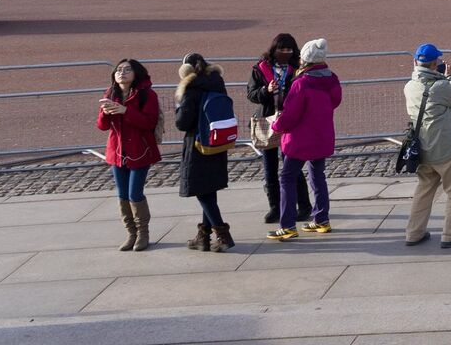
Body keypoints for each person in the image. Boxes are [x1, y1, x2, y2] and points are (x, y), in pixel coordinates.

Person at [267, 38, 342, 241]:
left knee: (287, 178)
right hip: (322, 135)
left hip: (300, 139)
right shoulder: (331, 78)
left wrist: (276, 125)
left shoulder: (302, 83)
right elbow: (335, 101)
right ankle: (321, 219)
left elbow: (290, 115)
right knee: (318, 176)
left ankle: (288, 225)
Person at [402, 44, 451, 249]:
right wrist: (450, 77)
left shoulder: (409, 86)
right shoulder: (440, 87)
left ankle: (414, 233)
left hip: (423, 148)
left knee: (424, 190)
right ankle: (450, 234)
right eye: (438, 61)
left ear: (415, 62)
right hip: (445, 148)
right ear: (434, 64)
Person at [97, 58, 162, 251]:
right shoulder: (111, 93)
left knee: (135, 193)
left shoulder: (146, 95)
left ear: (136, 74)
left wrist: (126, 111)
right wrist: (105, 112)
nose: (121, 73)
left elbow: (148, 123)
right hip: (117, 152)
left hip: (139, 151)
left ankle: (143, 233)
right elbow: (102, 126)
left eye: (127, 70)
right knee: (122, 195)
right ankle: (131, 233)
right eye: (118, 70)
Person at [247, 33, 312, 225]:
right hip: (267, 120)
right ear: (274, 49)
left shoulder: (297, 69)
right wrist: (265, 90)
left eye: (288, 50)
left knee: (292, 166)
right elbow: (251, 94)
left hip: (289, 121)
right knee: (270, 169)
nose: (285, 53)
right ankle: (275, 206)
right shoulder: (260, 68)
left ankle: (304, 205)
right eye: (281, 49)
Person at [174, 53, 236, 252]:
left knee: (202, 191)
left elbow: (182, 123)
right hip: (217, 142)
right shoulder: (217, 83)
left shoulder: (191, 88)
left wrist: (179, 108)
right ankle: (203, 236)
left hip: (197, 144)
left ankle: (223, 234)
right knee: (209, 189)